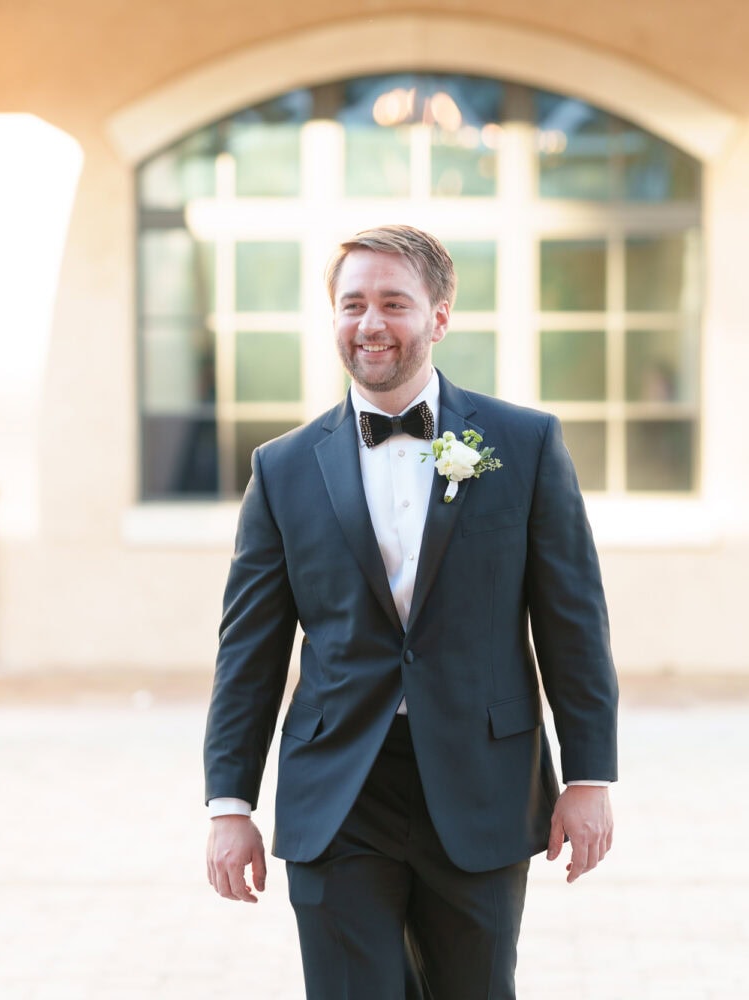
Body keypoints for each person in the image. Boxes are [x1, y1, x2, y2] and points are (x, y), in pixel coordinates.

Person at [204, 224, 618, 999]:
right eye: (352, 304)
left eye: (394, 302)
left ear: (440, 315)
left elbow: (573, 623)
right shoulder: (283, 468)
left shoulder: (525, 444)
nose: (371, 324)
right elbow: (249, 652)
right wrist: (230, 803)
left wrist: (590, 776)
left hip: (482, 779)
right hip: (338, 789)